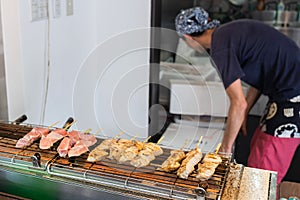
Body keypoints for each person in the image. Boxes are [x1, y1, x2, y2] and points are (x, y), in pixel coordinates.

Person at [175, 7, 300, 185]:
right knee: (257, 149)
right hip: (284, 95)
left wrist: (225, 151)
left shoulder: (220, 46)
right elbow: (260, 73)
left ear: (188, 38)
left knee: (260, 174)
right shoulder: (228, 33)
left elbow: (237, 103)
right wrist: (245, 112)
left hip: (293, 100)